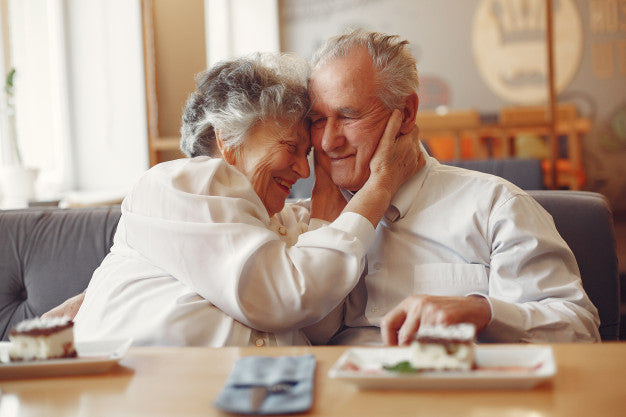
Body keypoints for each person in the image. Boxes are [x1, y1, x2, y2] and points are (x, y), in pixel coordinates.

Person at [70, 52, 421, 346]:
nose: (303, 170)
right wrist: (378, 189)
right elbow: (284, 296)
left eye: (308, 154)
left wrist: (323, 222)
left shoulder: (283, 221)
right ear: (228, 139)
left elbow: (317, 324)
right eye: (290, 148)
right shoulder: (181, 183)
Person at [304, 29, 600, 345]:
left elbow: (580, 331)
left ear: (406, 114)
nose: (327, 141)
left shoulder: (495, 206)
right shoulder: (302, 220)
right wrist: (323, 223)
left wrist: (481, 311)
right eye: (318, 120)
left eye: (348, 116)